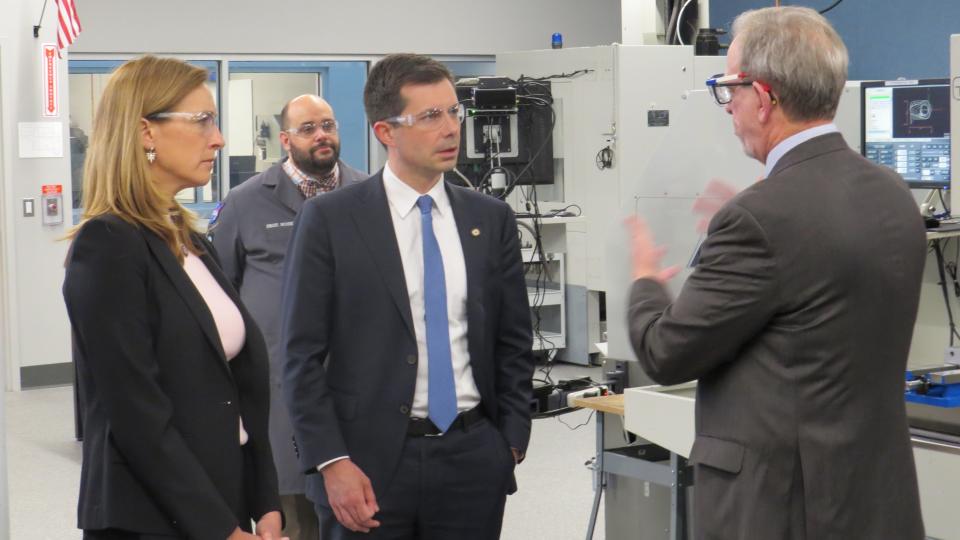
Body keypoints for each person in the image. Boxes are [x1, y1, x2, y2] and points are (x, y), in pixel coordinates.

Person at [626, 7, 925, 539]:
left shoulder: (760, 218)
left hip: (783, 508)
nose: (728, 106)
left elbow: (666, 353)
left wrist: (646, 280)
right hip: (874, 497)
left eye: (729, 90)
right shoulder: (893, 193)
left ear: (763, 99)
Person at [281, 53, 534, 539]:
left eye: (454, 112)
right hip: (366, 466)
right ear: (385, 132)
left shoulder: (489, 218)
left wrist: (510, 442)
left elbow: (513, 339)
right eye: (430, 116)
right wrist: (332, 461)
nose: (451, 128)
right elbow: (299, 355)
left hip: (472, 455)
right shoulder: (331, 221)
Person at [62, 55, 284, 540]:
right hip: (155, 517)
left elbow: (234, 387)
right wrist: (219, 528)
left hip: (218, 497)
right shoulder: (109, 244)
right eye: (203, 120)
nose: (220, 138)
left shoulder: (187, 237)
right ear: (146, 133)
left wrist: (265, 500)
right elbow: (137, 413)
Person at [209, 94, 367, 540]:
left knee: (362, 513)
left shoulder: (366, 192)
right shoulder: (244, 203)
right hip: (281, 391)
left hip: (357, 386)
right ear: (285, 139)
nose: (321, 135)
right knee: (295, 512)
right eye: (308, 128)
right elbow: (223, 294)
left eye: (328, 125)